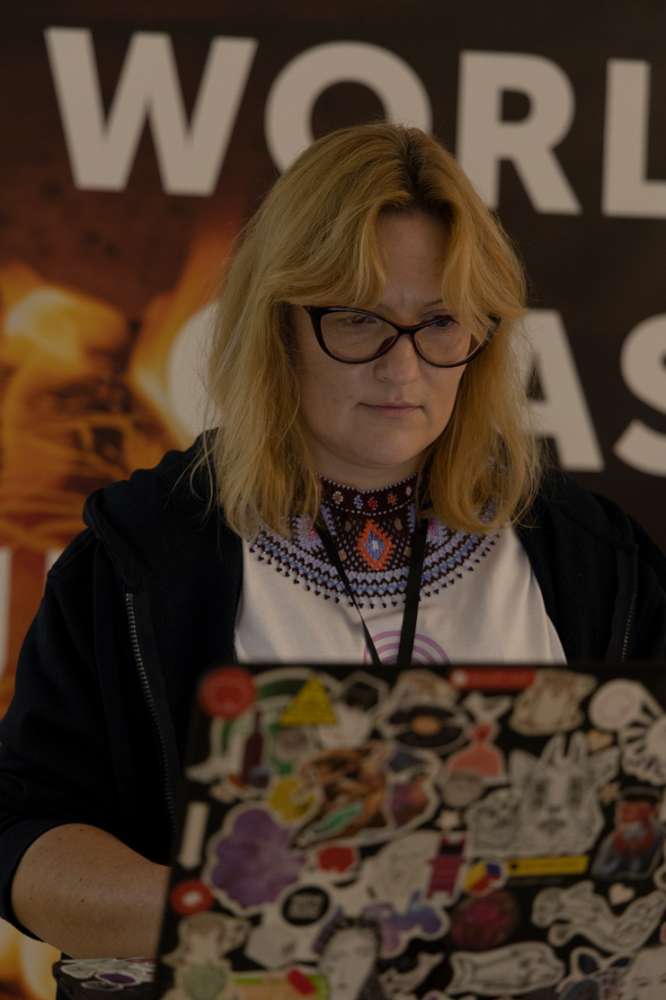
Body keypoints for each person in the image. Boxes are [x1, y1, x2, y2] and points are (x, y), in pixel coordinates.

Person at [0, 122, 665, 963]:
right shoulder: (143, 556)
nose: (403, 368)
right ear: (276, 324)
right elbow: (24, 832)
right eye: (357, 320)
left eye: (441, 322)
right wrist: (231, 919)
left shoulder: (592, 556)